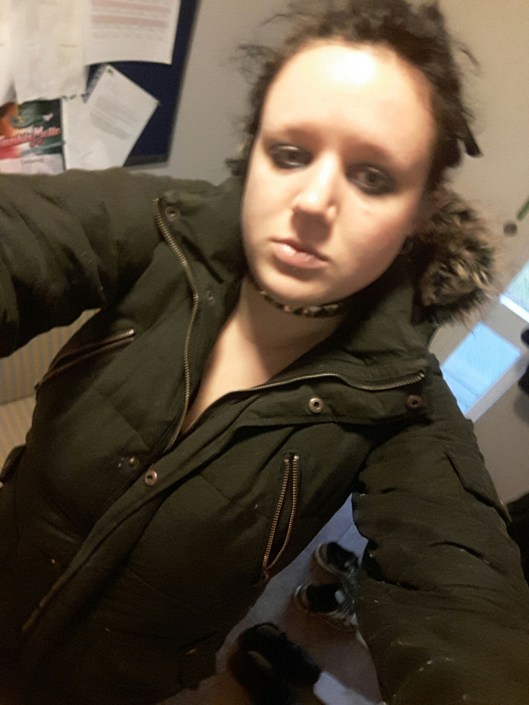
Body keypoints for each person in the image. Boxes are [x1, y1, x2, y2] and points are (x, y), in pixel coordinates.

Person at [0, 1, 528, 703]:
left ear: (420, 211)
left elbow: (463, 603)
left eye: (372, 177)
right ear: (253, 152)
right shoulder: (164, 230)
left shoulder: (401, 405)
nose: (312, 201)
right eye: (289, 154)